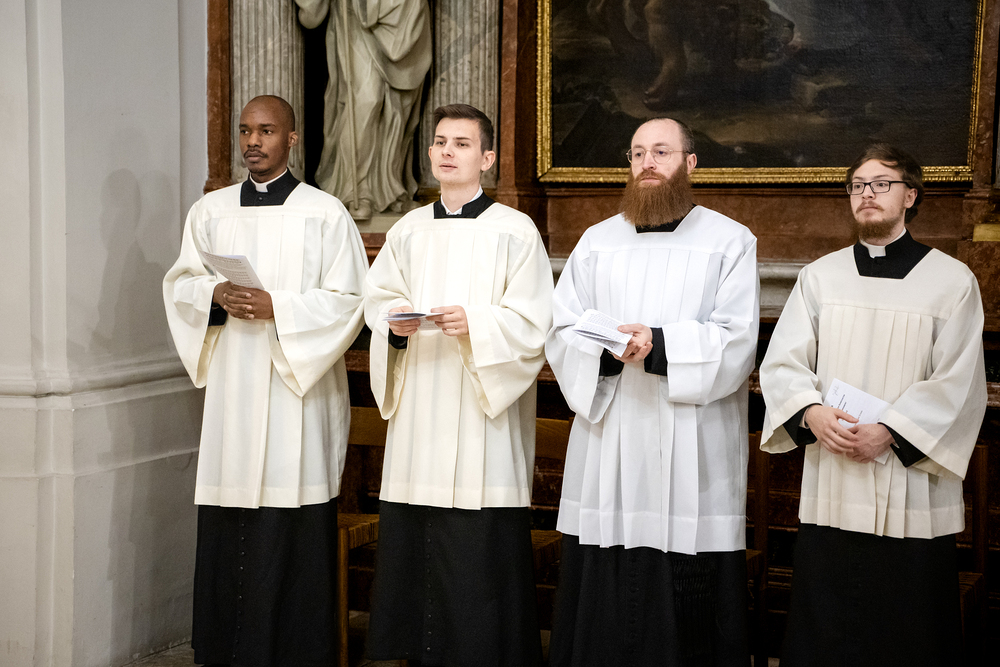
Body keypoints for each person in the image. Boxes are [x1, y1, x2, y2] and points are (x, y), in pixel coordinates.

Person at [758, 143, 987, 666]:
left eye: (881, 184)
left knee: (907, 626)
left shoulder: (952, 281)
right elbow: (783, 362)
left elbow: (958, 381)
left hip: (910, 481)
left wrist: (892, 431)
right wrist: (811, 412)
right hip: (834, 473)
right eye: (858, 186)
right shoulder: (821, 276)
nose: (867, 194)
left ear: (910, 196)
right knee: (828, 619)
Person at [162, 95, 368, 667]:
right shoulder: (211, 211)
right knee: (230, 513)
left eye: (267, 131)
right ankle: (226, 650)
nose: (253, 142)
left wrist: (281, 307)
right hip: (234, 389)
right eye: (246, 131)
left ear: (291, 139)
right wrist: (216, 293)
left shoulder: (325, 213)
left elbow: (352, 299)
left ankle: (294, 651)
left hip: (294, 389)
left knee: (289, 509)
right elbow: (180, 284)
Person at [545, 117, 759, 666]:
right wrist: (608, 348)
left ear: (690, 163)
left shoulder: (729, 240)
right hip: (611, 437)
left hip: (692, 441)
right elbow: (563, 328)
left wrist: (659, 343)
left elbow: (737, 340)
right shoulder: (597, 241)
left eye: (662, 152)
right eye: (638, 152)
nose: (648, 163)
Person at [363, 103, 554, 666]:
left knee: (477, 545)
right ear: (430, 153)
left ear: (487, 159)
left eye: (463, 144)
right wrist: (394, 323)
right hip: (421, 403)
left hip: (479, 411)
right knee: (417, 535)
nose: (448, 152)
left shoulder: (514, 230)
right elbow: (378, 298)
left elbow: (533, 322)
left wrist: (478, 324)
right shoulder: (408, 229)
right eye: (441, 142)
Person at [295, 0, 432, 220]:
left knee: (397, 107)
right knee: (367, 100)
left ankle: (390, 190)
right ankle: (356, 189)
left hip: (404, 13)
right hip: (356, 15)